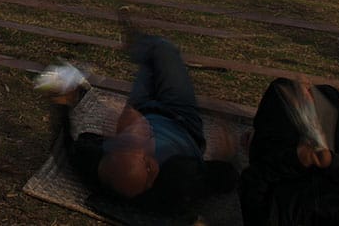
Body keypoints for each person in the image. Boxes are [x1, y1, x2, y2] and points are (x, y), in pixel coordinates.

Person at [57, 16, 237, 217]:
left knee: (151, 63)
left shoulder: (99, 164)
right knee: (163, 50)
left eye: (124, 138)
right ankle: (141, 45)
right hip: (181, 118)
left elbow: (68, 146)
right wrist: (226, 156)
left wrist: (64, 102)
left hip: (144, 107)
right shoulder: (179, 175)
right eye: (146, 137)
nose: (146, 131)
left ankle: (140, 46)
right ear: (151, 167)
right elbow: (226, 178)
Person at [239, 78, 339, 224]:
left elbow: (251, 182)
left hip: (286, 166)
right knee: (329, 94)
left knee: (282, 89)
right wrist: (333, 163)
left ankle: (258, 138)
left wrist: (297, 159)